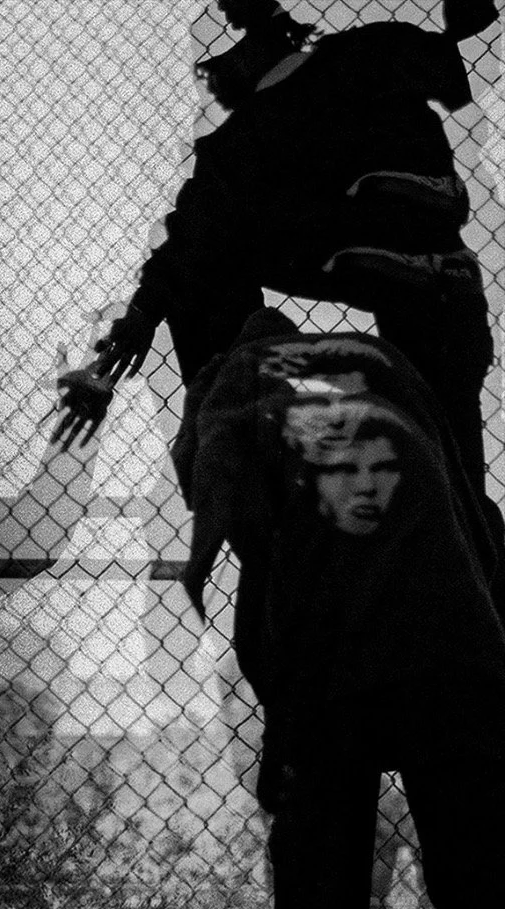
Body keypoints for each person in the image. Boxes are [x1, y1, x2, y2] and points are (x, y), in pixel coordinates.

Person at [176, 307, 505, 909]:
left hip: (328, 663)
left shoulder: (232, 380)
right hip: (452, 640)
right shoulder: (386, 359)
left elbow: (225, 504)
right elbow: (468, 496)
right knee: (491, 901)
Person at [67, 0, 500, 552]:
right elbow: (457, 73)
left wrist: (142, 317)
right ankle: (462, 536)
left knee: (206, 248)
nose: (211, 85)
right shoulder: (370, 51)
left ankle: (240, 412)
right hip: (426, 270)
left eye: (218, 66)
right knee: (456, 482)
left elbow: (196, 225)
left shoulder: (258, 124)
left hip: (380, 254)